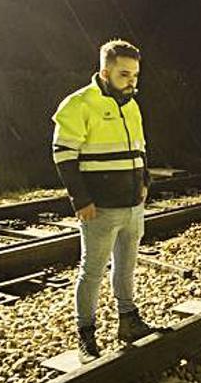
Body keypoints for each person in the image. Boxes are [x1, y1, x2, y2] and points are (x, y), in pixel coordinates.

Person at [51, 39, 161, 363]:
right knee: (93, 271)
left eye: (136, 75)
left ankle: (128, 320)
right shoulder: (78, 104)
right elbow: (63, 156)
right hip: (99, 206)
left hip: (132, 204)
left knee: (126, 265)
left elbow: (140, 147)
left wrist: (145, 182)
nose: (132, 82)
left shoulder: (131, 105)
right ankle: (86, 332)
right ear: (105, 72)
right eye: (125, 75)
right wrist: (80, 200)